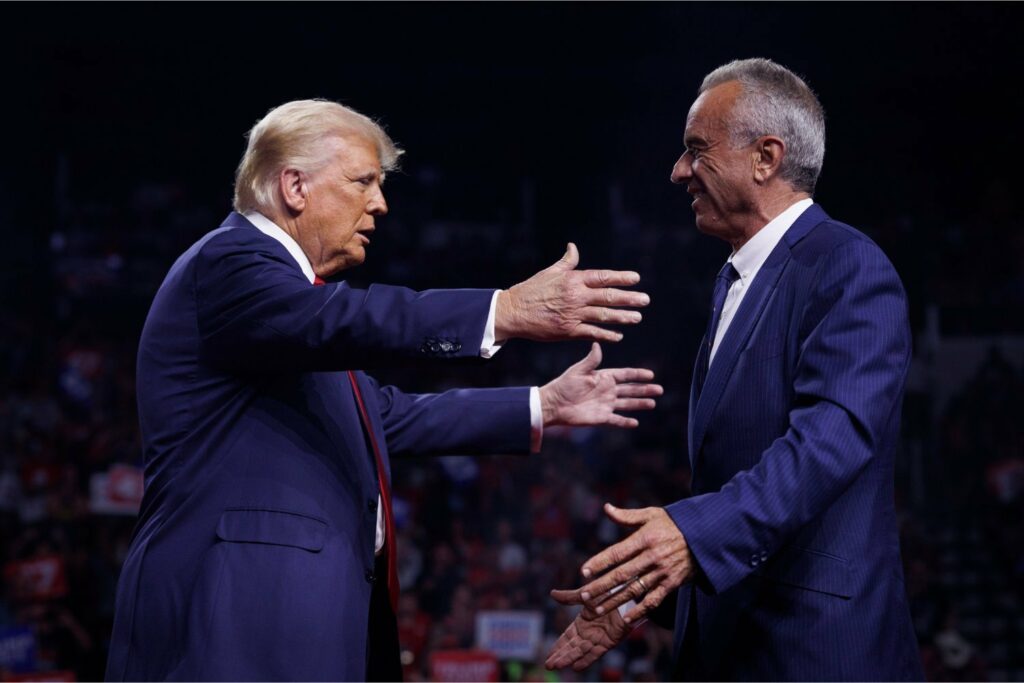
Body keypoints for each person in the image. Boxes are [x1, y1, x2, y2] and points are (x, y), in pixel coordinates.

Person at [104, 99, 663, 681]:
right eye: (363, 182)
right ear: (294, 185)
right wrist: (503, 310)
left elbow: (382, 417)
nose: (380, 202)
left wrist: (542, 405)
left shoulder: (292, 313)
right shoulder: (231, 263)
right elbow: (350, 321)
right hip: (234, 618)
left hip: (298, 617)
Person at [547, 58, 924, 680]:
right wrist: (647, 591)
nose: (678, 171)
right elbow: (741, 485)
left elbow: (830, 441)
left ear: (766, 157)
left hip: (814, 652)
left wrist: (689, 536)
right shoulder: (735, 282)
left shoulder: (848, 266)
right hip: (738, 646)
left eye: (696, 149)